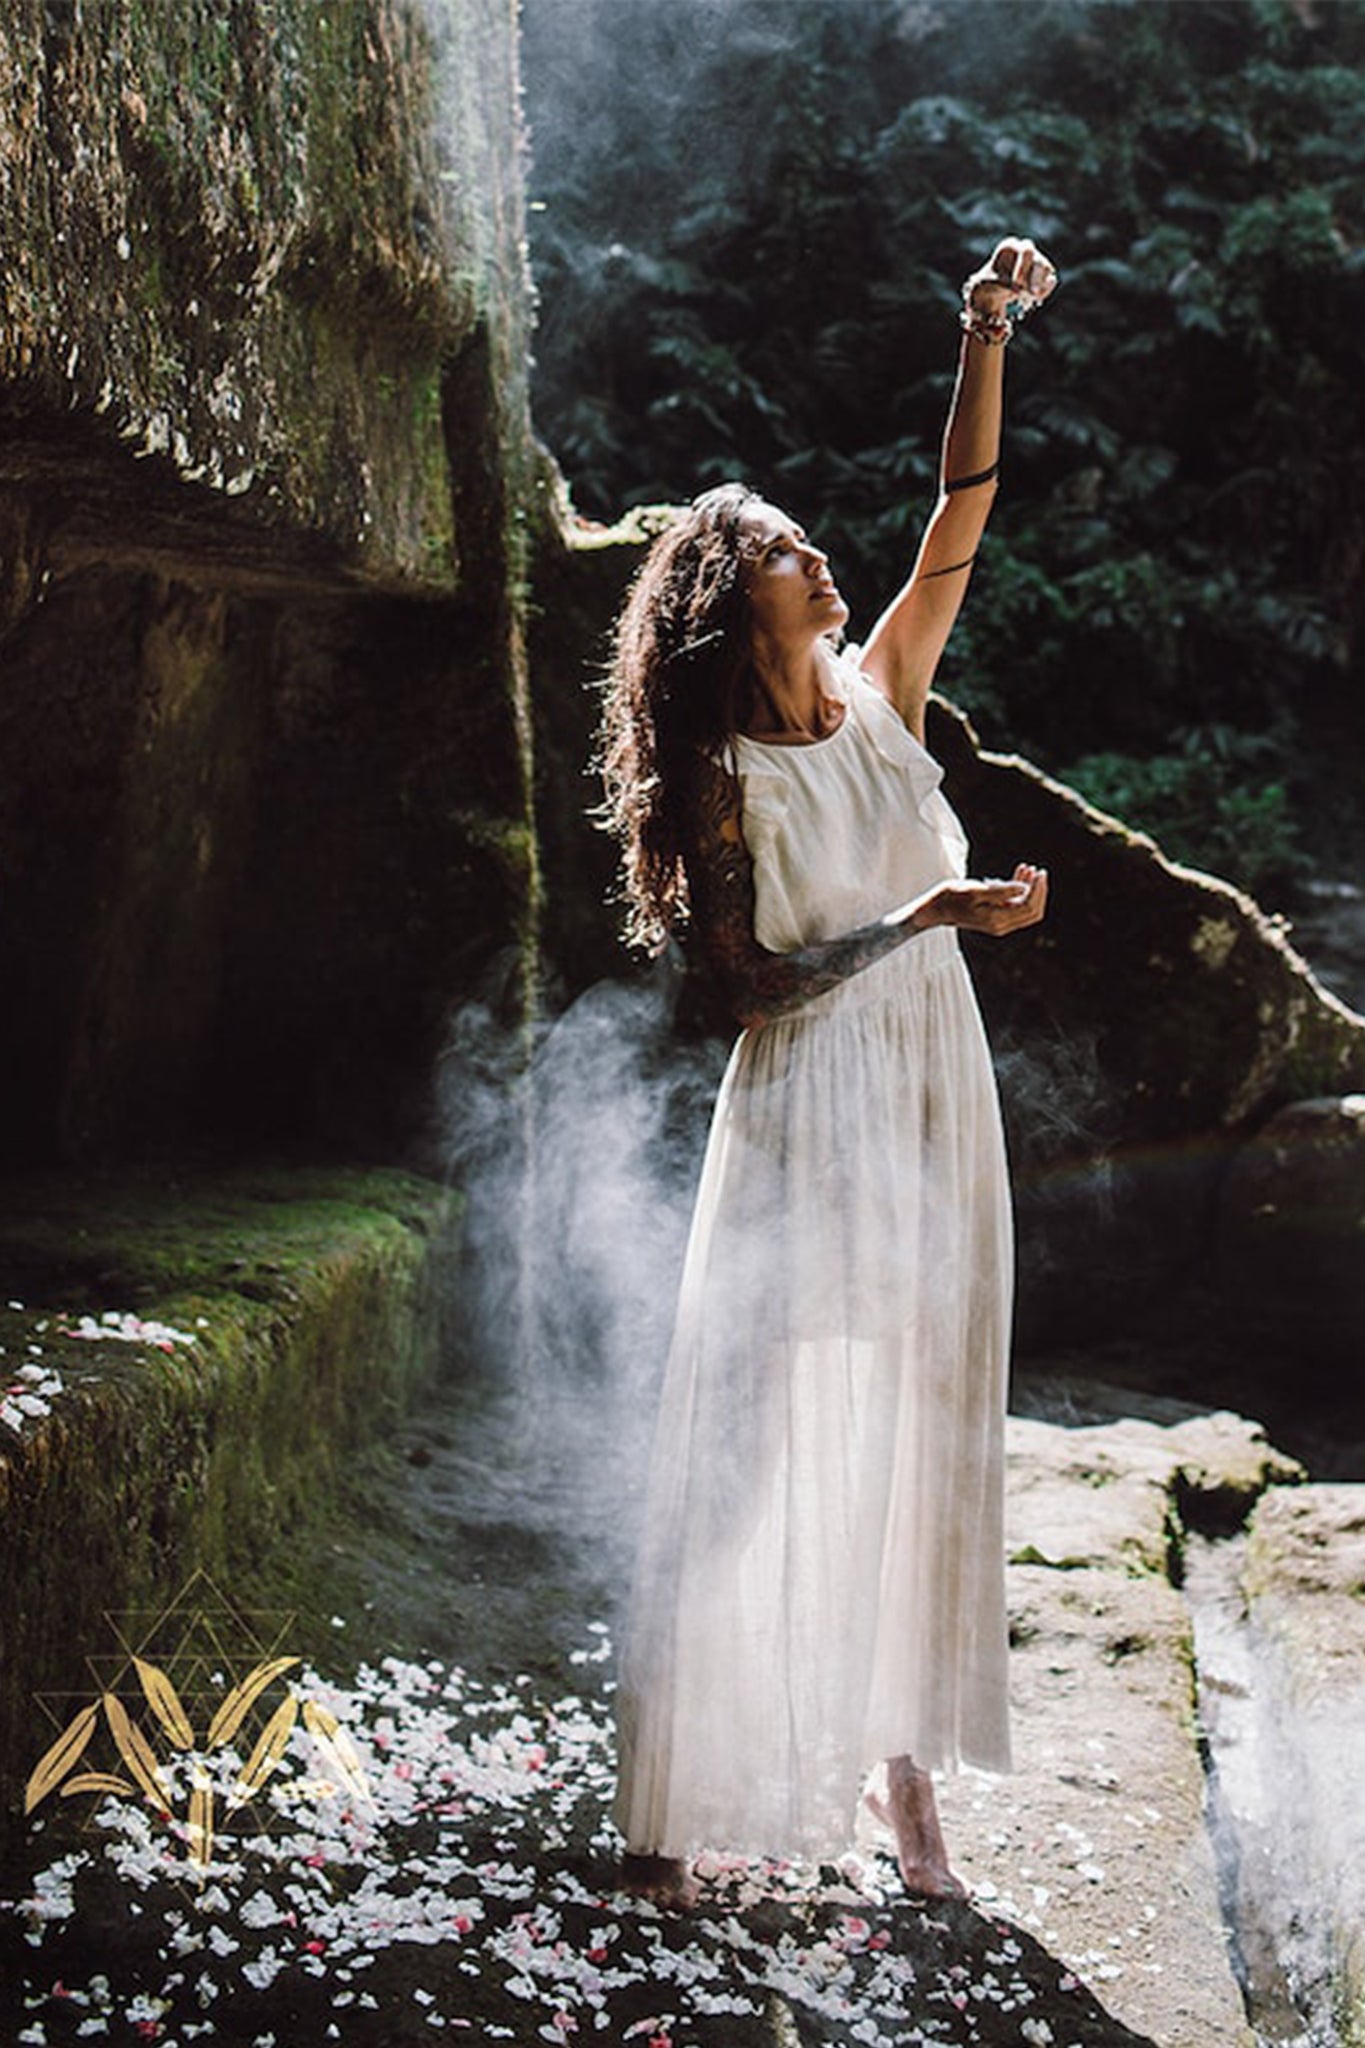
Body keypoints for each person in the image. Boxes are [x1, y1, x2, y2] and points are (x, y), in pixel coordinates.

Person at [596, 238, 1057, 1908]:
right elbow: (738, 990)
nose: (822, 556)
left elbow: (960, 513)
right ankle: (664, 1800)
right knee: (752, 1433)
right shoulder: (718, 778)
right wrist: (922, 908)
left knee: (923, 1416)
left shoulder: (886, 701)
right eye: (787, 550)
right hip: (805, 1100)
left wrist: (981, 329)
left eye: (807, 539)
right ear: (736, 600)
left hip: (935, 1089)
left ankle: (902, 1777)